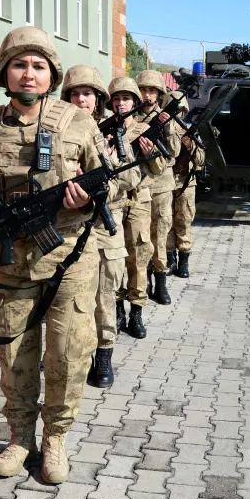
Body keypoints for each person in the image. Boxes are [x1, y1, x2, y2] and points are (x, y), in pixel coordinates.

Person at [0, 27, 117, 484]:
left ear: (51, 75)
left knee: (68, 355)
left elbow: (112, 182)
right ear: (5, 72)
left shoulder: (79, 122)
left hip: (70, 261)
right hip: (9, 264)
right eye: (20, 65)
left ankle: (55, 439)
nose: (29, 74)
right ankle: (20, 439)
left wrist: (88, 197)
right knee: (15, 357)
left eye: (39, 66)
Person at [59, 65, 151, 388]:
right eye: (74, 94)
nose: (81, 99)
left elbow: (131, 175)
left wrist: (99, 190)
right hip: (68, 224)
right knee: (70, 295)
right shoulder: (57, 131)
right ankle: (73, 353)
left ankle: (104, 354)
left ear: (98, 99)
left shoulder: (113, 132)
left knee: (105, 292)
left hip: (104, 222)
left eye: (87, 93)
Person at [112, 76, 167, 339]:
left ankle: (136, 311)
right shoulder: (103, 130)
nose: (121, 103)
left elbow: (160, 168)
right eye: (116, 98)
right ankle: (117, 309)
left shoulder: (145, 129)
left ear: (134, 102)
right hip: (113, 202)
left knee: (138, 257)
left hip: (139, 201)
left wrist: (150, 153)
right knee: (113, 260)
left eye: (126, 98)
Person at [134, 70, 180, 305]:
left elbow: (175, 152)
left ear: (159, 94)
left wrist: (168, 127)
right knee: (140, 240)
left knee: (160, 236)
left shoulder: (166, 118)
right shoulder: (130, 118)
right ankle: (143, 285)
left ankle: (160, 282)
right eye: (143, 90)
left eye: (152, 91)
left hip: (161, 185)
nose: (147, 95)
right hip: (137, 186)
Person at [165, 91, 204, 278]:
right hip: (166, 182)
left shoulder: (190, 130)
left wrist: (190, 146)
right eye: (174, 109)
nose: (177, 113)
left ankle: (183, 260)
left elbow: (201, 159)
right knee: (166, 221)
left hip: (185, 183)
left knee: (184, 220)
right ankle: (170, 258)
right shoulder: (162, 129)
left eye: (180, 110)